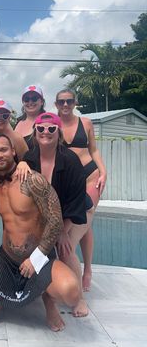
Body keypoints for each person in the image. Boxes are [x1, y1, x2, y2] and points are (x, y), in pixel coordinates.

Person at [0, 133, 79, 331]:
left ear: (13, 151)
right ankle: (12, 291)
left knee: (71, 292)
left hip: (38, 257)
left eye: (3, 149)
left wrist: (35, 259)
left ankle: (48, 301)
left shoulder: (33, 180)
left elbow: (55, 222)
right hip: (8, 259)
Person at [22, 112, 91, 319]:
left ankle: (79, 298)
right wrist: (21, 164)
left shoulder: (70, 161)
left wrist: (62, 231)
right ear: (34, 133)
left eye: (51, 128)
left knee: (65, 247)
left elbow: (76, 201)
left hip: (75, 212)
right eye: (40, 129)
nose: (46, 132)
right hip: (49, 216)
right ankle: (41, 288)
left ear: (59, 133)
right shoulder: (30, 158)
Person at [55, 89, 107, 291]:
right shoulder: (52, 123)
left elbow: (93, 149)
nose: (65, 105)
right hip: (68, 182)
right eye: (61, 102)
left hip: (90, 177)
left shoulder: (85, 123)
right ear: (56, 104)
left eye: (69, 101)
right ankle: (84, 271)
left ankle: (82, 276)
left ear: (75, 102)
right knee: (86, 226)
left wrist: (103, 172)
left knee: (73, 232)